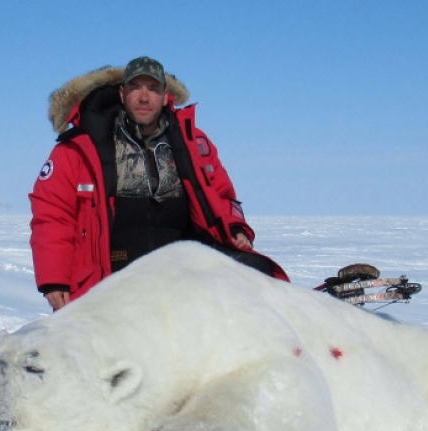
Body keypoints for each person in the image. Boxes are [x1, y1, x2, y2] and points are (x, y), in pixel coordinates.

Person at [29, 56, 288, 311]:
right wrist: (54, 279)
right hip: (114, 272)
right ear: (122, 93)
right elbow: (52, 213)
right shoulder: (80, 147)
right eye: (135, 88)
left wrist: (235, 228)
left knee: (258, 275)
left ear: (165, 96)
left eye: (153, 89)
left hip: (182, 264)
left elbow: (221, 194)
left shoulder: (192, 142)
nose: (144, 97)